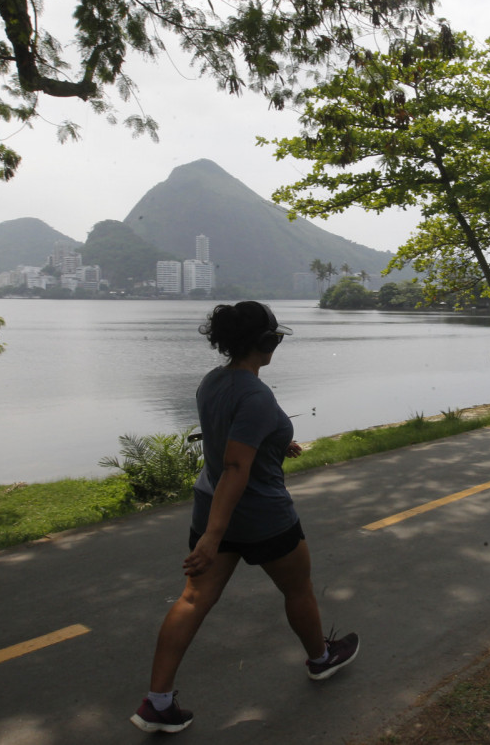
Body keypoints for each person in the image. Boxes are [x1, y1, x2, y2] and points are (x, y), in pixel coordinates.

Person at [131, 301, 360, 734]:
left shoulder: (212, 382)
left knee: (193, 600)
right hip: (260, 516)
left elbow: (230, 439)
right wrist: (214, 538)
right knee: (298, 590)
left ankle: (156, 703)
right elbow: (236, 466)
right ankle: (320, 658)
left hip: (209, 506)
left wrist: (277, 444)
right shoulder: (255, 393)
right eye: (275, 338)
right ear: (265, 342)